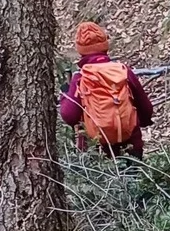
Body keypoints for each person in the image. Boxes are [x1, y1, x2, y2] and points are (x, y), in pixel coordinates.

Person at [59, 22, 153, 160]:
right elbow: (146, 108)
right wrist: (138, 123)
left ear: (81, 51)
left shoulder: (80, 78)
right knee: (135, 179)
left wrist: (65, 95)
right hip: (131, 146)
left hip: (97, 152)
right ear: (105, 46)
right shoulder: (123, 71)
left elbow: (69, 115)